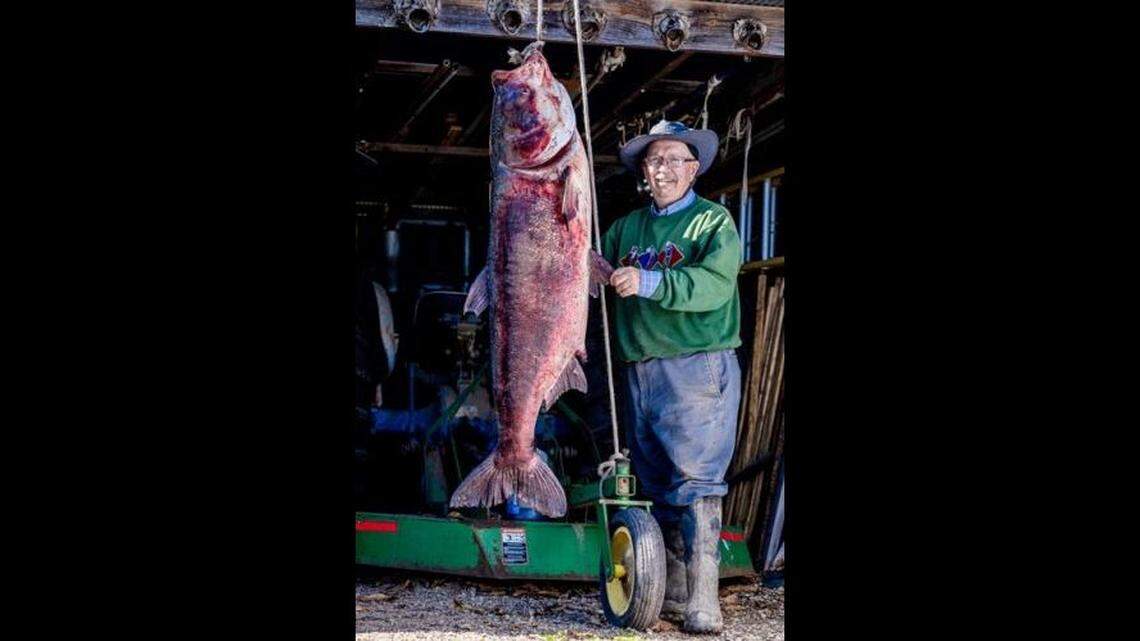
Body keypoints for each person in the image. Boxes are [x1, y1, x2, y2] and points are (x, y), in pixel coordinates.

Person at [600, 120, 742, 634]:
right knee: (658, 484)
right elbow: (596, 270)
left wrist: (649, 280)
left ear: (694, 167)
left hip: (696, 365)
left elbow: (715, 286)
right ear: (644, 172)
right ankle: (675, 593)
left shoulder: (713, 223)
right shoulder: (626, 229)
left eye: (675, 159)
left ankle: (705, 603)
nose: (664, 169)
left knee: (697, 483)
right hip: (641, 367)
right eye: (654, 161)